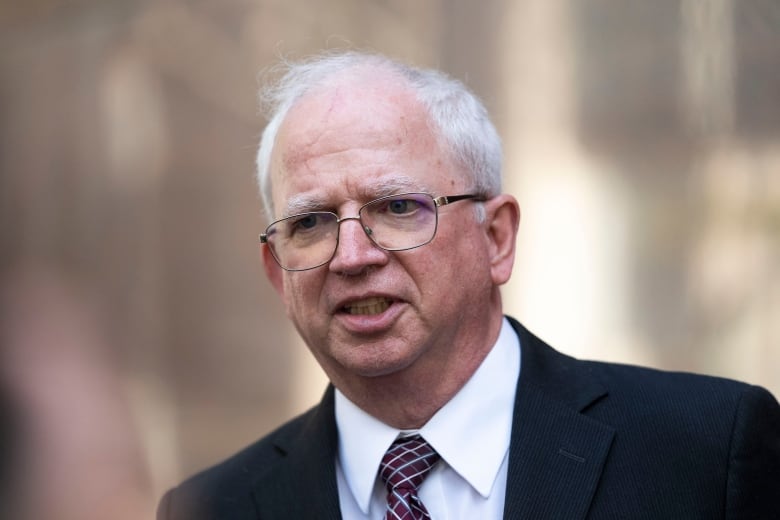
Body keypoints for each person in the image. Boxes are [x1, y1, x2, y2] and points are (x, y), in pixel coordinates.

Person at [157, 51, 780, 519]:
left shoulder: (706, 453)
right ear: (277, 272)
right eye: (311, 222)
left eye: (398, 207)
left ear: (497, 238)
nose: (350, 256)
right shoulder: (214, 507)